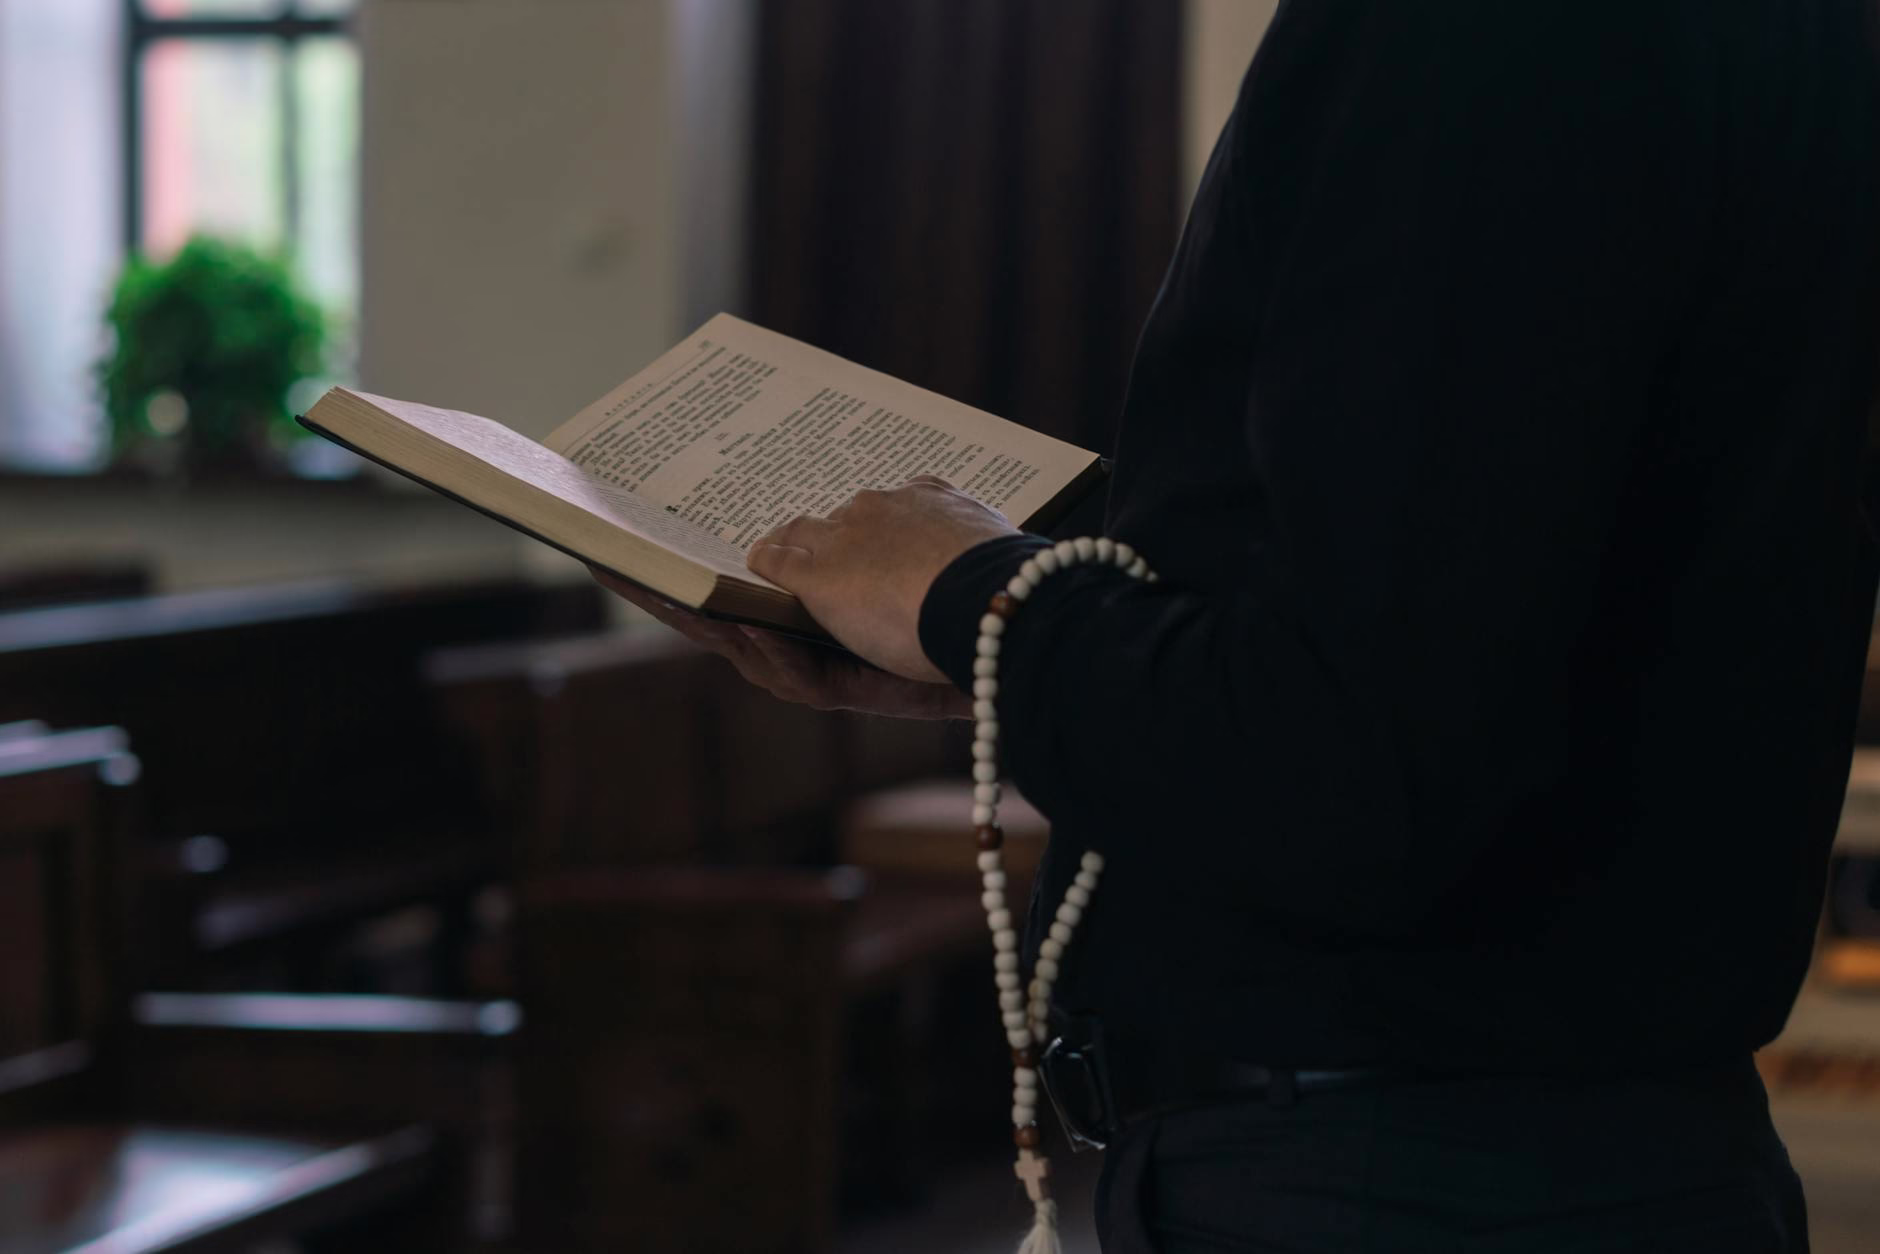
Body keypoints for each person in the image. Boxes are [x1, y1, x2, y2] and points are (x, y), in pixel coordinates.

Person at [596, 1, 1880, 1249]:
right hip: (1559, 1143)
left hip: (1397, 1175)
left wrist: (979, 595)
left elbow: (1357, 766)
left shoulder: (1477, 30)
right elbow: (1501, 611)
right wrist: (994, 649)